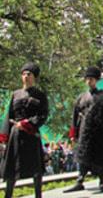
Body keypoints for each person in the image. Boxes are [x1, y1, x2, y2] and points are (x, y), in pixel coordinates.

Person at [65, 67, 103, 193]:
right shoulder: (81, 98)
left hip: (100, 133)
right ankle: (79, 181)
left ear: (96, 80)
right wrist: (73, 134)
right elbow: (74, 116)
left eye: (92, 79)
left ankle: (102, 182)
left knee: (99, 158)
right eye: (87, 79)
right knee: (83, 158)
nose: (89, 81)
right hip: (85, 132)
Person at [0, 63, 48, 198]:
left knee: (36, 169)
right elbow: (8, 116)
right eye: (24, 74)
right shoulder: (15, 94)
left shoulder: (40, 95)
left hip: (32, 135)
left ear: (34, 77)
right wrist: (4, 138)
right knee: (11, 169)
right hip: (15, 136)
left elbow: (43, 115)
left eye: (29, 74)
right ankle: (8, 195)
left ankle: (38, 195)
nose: (26, 76)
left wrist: (27, 124)